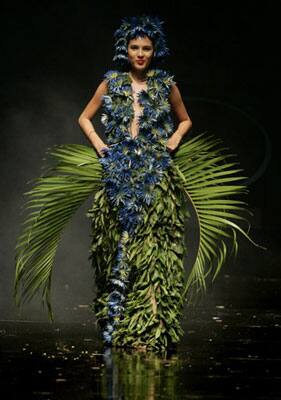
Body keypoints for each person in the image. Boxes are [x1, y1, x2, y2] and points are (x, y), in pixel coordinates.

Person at [14, 15, 257, 353]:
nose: (141, 53)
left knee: (155, 254)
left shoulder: (165, 84)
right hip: (117, 176)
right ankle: (118, 327)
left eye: (146, 48)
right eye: (134, 48)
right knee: (115, 249)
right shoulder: (111, 84)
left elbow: (186, 120)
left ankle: (152, 330)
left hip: (156, 176)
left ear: (155, 50)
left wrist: (173, 139)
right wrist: (100, 145)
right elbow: (84, 117)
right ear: (125, 50)